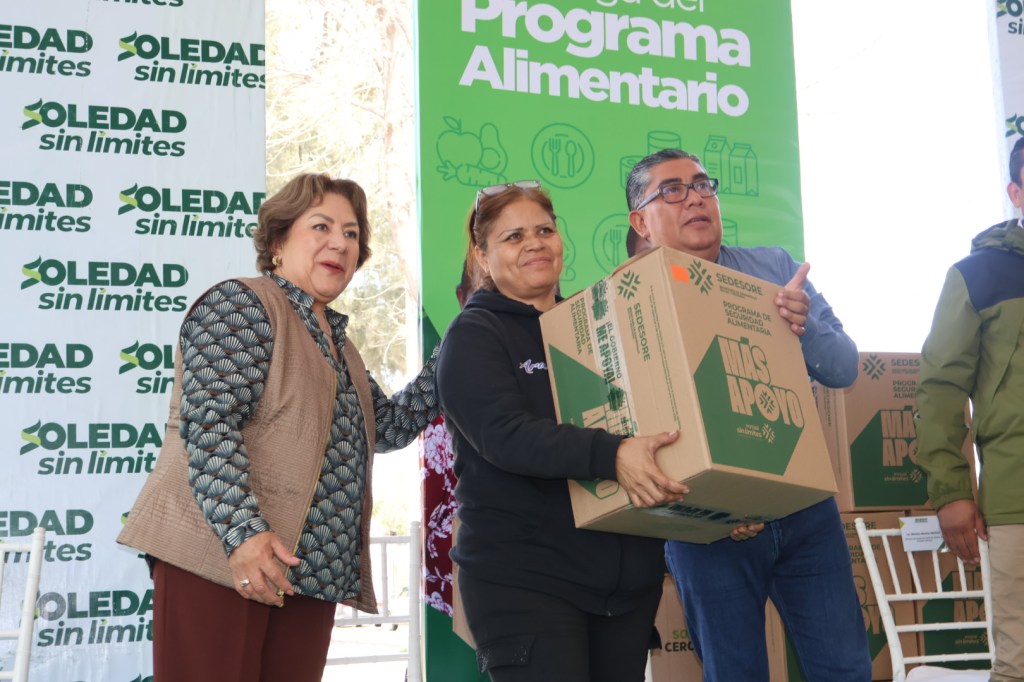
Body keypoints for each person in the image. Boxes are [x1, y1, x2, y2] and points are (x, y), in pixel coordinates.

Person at [117, 173, 440, 682]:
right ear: (276, 242)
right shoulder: (242, 305)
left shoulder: (342, 348)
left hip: (309, 576)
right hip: (224, 559)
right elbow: (210, 425)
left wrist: (461, 342)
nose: (340, 242)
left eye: (353, 234)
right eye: (322, 226)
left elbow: (392, 428)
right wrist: (244, 536)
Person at [625, 148, 870, 681]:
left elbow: (846, 367)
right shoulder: (628, 300)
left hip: (804, 513)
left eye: (701, 185)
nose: (693, 197)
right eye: (671, 189)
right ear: (640, 220)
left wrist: (806, 329)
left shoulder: (776, 270)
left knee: (846, 669)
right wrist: (715, 506)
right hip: (707, 529)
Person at [435, 179, 692, 682]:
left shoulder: (598, 325)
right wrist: (612, 454)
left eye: (544, 230)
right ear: (483, 258)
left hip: (626, 589)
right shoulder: (473, 335)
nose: (534, 243)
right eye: (512, 237)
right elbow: (506, 435)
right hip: (526, 584)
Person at [915, 136, 1024, 682]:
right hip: (1015, 497)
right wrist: (952, 491)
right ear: (1016, 192)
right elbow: (938, 387)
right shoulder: (978, 275)